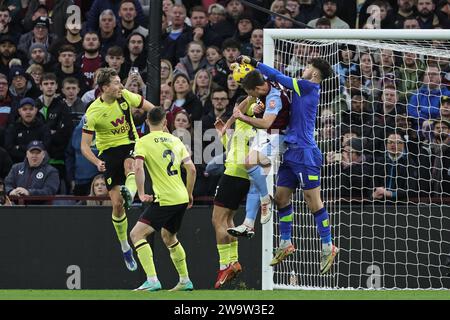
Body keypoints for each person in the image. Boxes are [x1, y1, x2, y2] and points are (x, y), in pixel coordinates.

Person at [237, 55, 339, 273]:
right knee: (282, 198)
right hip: (291, 152)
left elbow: (276, 76)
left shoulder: (308, 86)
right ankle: (285, 243)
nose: (303, 70)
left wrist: (254, 62)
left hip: (306, 153)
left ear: (313, 73)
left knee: (313, 201)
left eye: (307, 67)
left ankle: (328, 245)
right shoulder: (301, 89)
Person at [81, 68, 155, 272]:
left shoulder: (125, 97)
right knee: (117, 205)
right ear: (105, 88)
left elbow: (152, 108)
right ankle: (125, 247)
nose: (120, 86)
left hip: (131, 143)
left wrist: (159, 121)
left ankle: (130, 193)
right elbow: (84, 146)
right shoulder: (93, 111)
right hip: (107, 151)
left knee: (130, 164)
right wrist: (96, 162)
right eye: (115, 83)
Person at [130, 106, 196, 292]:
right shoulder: (176, 140)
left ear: (147, 122)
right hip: (181, 197)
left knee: (136, 234)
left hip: (165, 199)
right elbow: (191, 169)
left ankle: (152, 280)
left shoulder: (142, 142)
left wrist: (141, 193)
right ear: (166, 122)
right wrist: (189, 193)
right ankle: (185, 281)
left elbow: (138, 168)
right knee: (169, 236)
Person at [226, 67, 290, 237]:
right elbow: (251, 100)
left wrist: (244, 117)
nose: (251, 98)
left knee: (249, 162)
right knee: (255, 179)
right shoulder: (265, 83)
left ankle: (265, 198)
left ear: (258, 88)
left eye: (251, 93)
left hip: (279, 137)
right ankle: (248, 224)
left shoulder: (274, 97)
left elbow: (266, 123)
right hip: (266, 136)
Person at [211, 96, 256, 289]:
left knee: (217, 220)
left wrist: (248, 96)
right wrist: (222, 131)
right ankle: (234, 261)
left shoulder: (247, 112)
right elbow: (232, 147)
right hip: (244, 175)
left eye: (237, 106)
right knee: (228, 221)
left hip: (233, 173)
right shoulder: (245, 126)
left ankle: (223, 265)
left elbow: (248, 103)